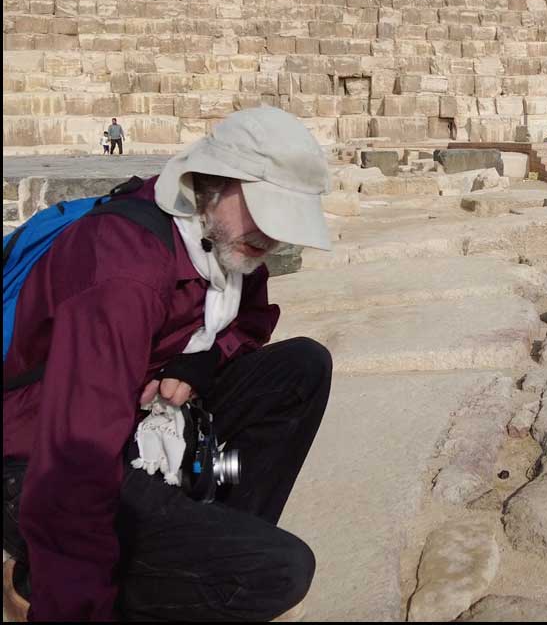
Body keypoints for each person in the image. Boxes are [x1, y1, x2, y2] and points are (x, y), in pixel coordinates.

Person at [2, 106, 337, 621]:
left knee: (301, 368)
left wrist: (199, 362)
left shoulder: (224, 242)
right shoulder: (125, 269)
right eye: (266, 213)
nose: (272, 237)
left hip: (131, 423)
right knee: (279, 572)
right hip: (33, 460)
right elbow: (73, 463)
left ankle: (196, 553)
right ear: (217, 181)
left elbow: (248, 325)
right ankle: (54, 578)